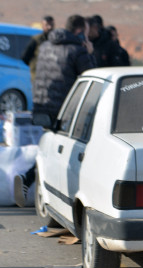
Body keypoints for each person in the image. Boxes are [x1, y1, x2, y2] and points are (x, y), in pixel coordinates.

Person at [14, 14, 96, 207]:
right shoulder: (77, 51)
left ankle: (31, 182)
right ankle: (55, 194)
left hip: (42, 105)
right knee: (68, 153)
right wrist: (90, 53)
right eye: (85, 31)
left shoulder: (44, 46)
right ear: (79, 31)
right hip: (66, 110)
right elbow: (91, 79)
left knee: (50, 149)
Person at [21, 15, 55, 82]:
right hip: (38, 77)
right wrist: (35, 65)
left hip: (51, 76)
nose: (49, 27)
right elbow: (25, 57)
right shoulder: (36, 40)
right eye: (47, 25)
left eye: (51, 25)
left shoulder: (55, 40)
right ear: (43, 26)